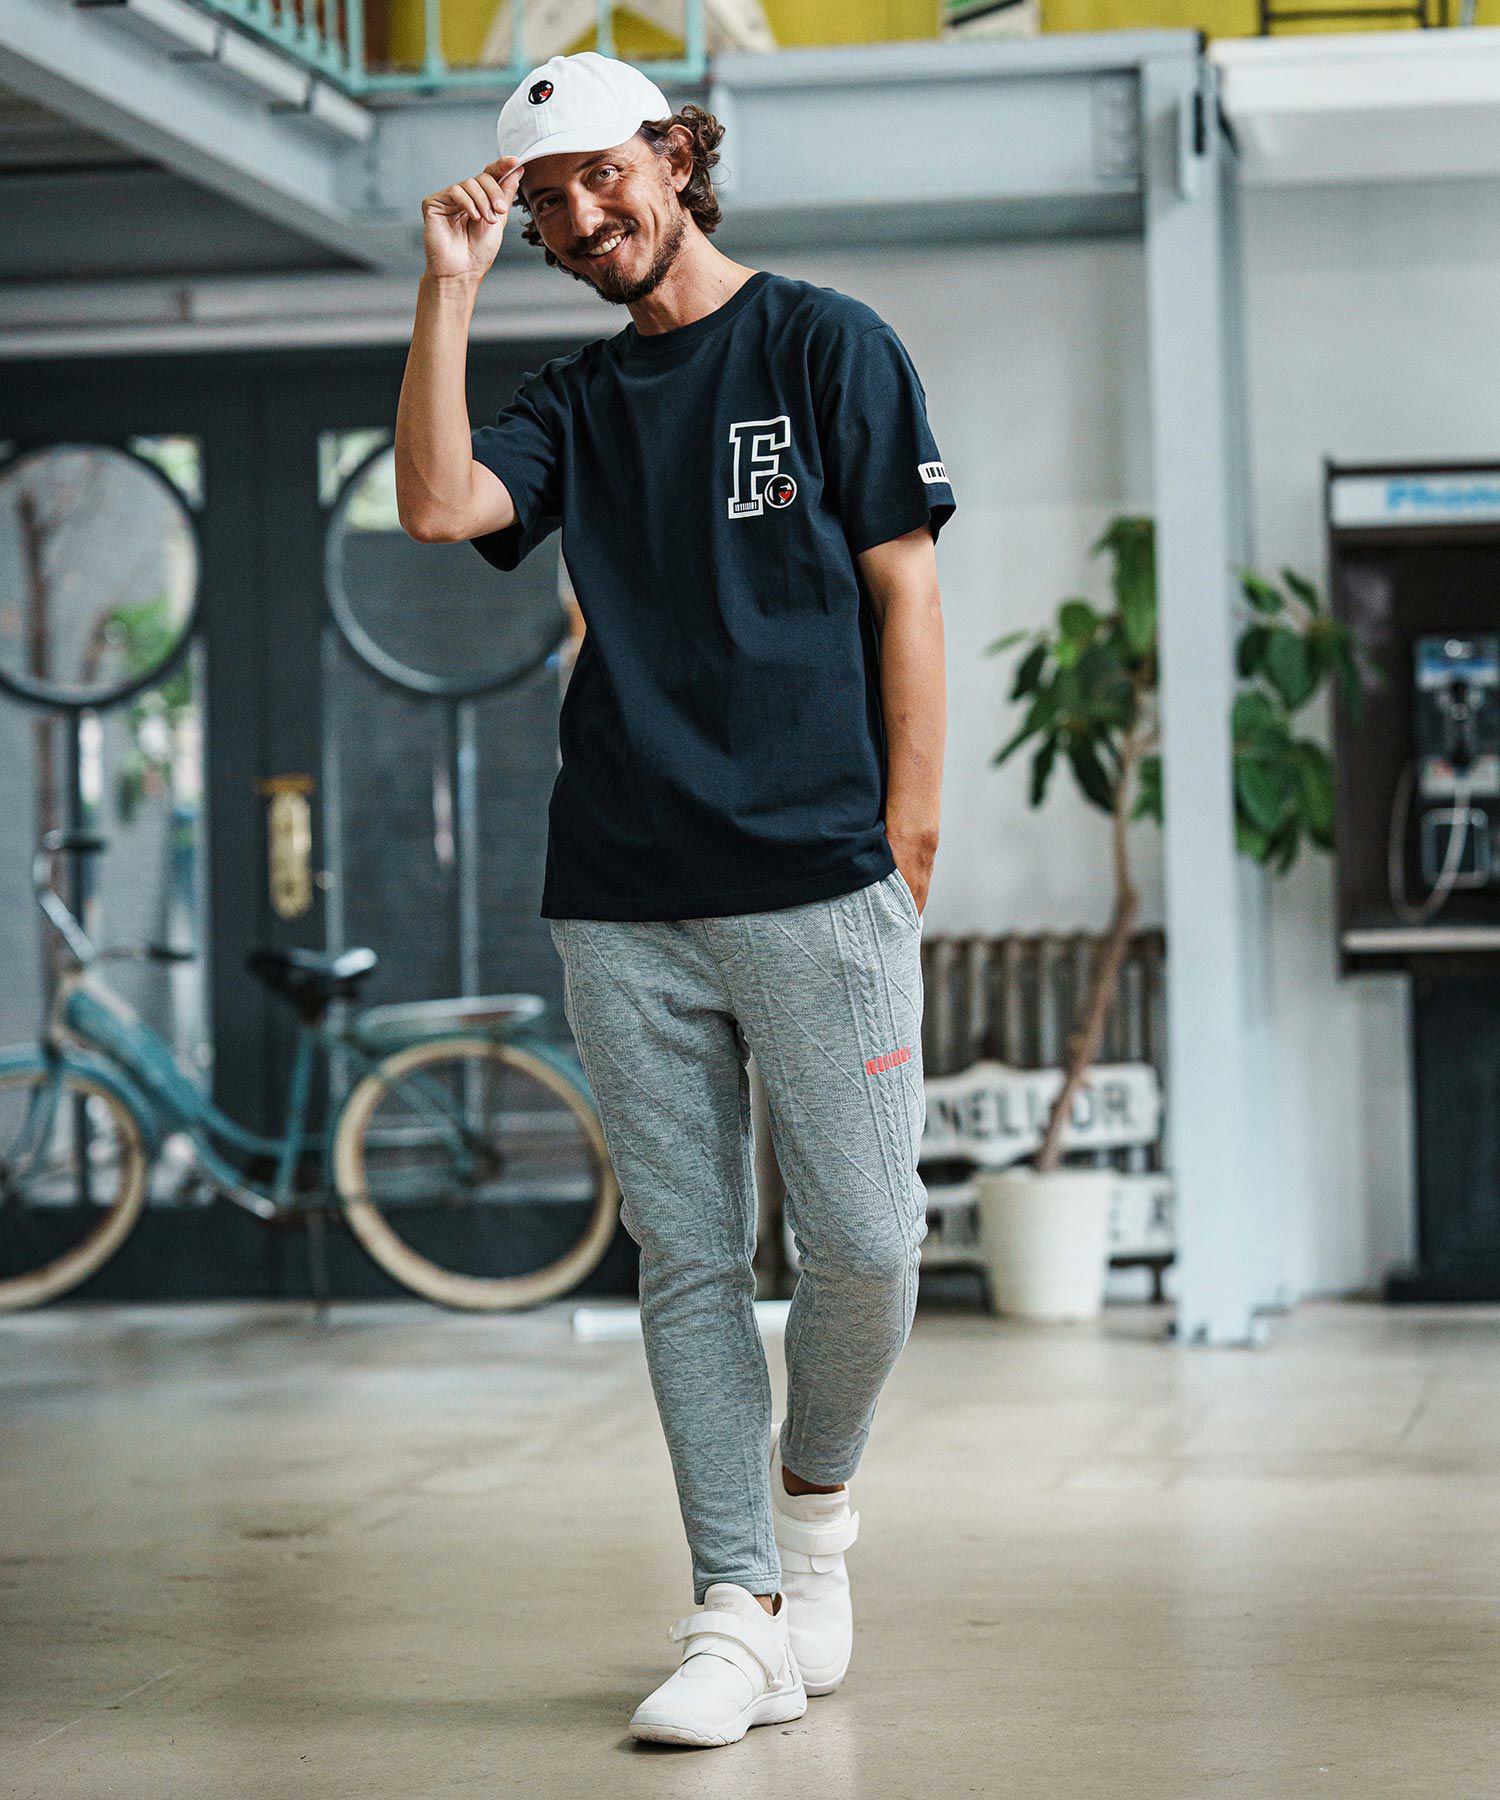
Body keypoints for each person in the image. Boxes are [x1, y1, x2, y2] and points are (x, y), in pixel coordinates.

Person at [394, 49, 955, 1750]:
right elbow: (439, 503)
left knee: (869, 1241)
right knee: (689, 1259)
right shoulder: (575, 402)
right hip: (622, 890)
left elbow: (907, 599)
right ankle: (736, 1608)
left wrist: (908, 842)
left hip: (818, 878)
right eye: (546, 202)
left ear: (674, 154)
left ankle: (813, 1506)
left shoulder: (828, 346)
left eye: (602, 177)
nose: (580, 218)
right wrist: (448, 285)